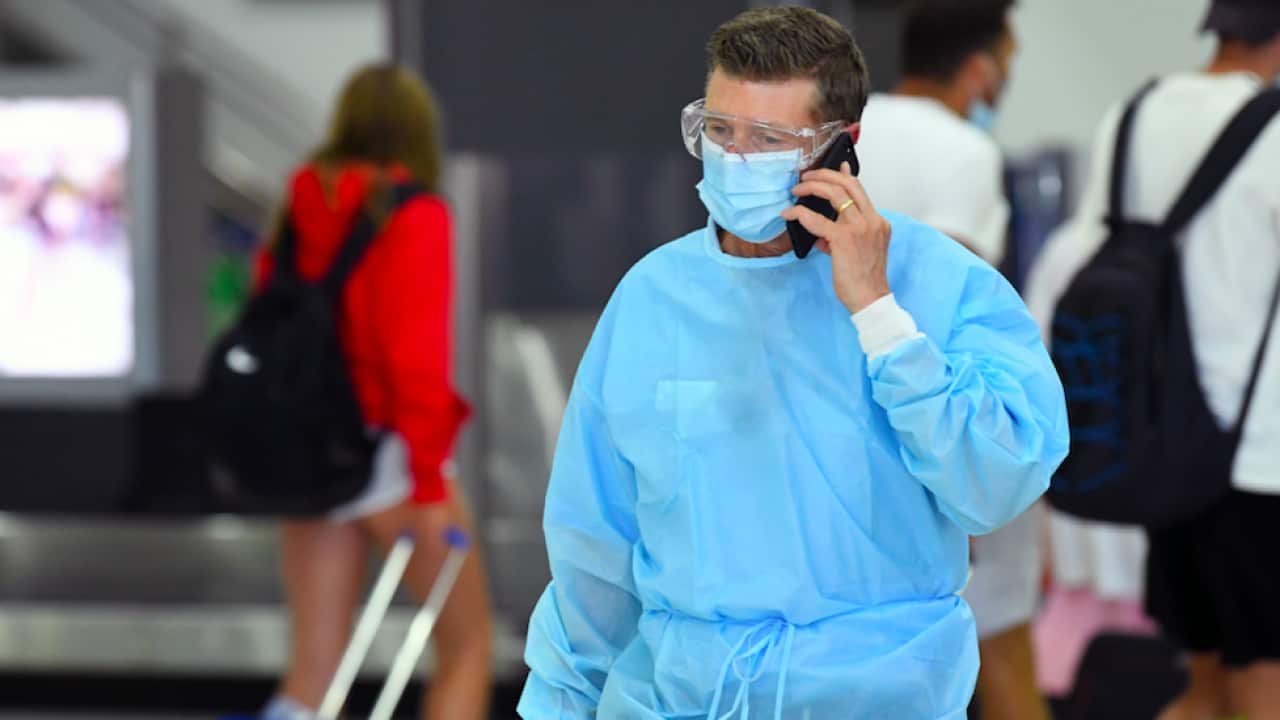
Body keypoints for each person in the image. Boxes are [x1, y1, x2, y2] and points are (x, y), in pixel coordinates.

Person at [518, 7, 1068, 719]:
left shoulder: (935, 286)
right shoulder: (654, 299)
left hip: (874, 698)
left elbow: (997, 484)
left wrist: (879, 316)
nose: (735, 158)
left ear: (840, 147)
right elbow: (595, 547)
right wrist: (558, 703)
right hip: (679, 700)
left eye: (769, 140)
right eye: (720, 131)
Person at [1026, 2, 1280, 718]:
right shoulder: (1274, 127)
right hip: (1259, 456)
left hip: (1164, 443)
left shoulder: (1132, 115)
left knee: (1200, 682)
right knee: (1265, 680)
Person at [255, 64, 493, 720]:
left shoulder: (300, 199)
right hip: (391, 459)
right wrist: (427, 489)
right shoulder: (416, 213)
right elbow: (413, 361)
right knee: (467, 645)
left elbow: (266, 310)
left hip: (309, 455)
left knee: (313, 676)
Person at [856, 3, 1050, 719]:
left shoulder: (850, 128)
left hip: (849, 424)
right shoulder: (963, 149)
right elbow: (944, 295)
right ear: (978, 69)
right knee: (1000, 644)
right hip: (938, 423)